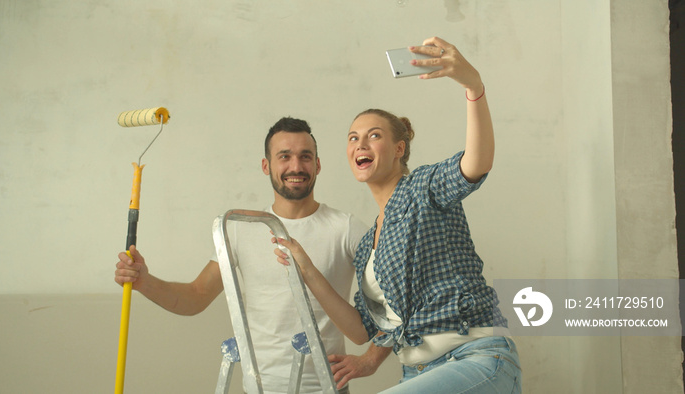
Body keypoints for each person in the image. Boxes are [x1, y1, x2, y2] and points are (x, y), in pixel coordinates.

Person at [274, 37, 521, 393]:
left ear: (398, 149)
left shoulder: (423, 188)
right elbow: (363, 330)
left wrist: (473, 86)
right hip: (417, 373)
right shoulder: (366, 247)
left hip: (474, 359)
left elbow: (476, 163)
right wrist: (307, 270)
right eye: (352, 138)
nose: (360, 144)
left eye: (373, 136)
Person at [115, 117, 392, 394]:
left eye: (305, 157)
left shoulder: (345, 228)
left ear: (317, 165)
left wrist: (370, 361)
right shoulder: (241, 230)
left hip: (325, 389)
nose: (296, 167)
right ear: (266, 165)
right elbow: (195, 296)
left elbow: (399, 298)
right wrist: (144, 282)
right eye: (284, 157)